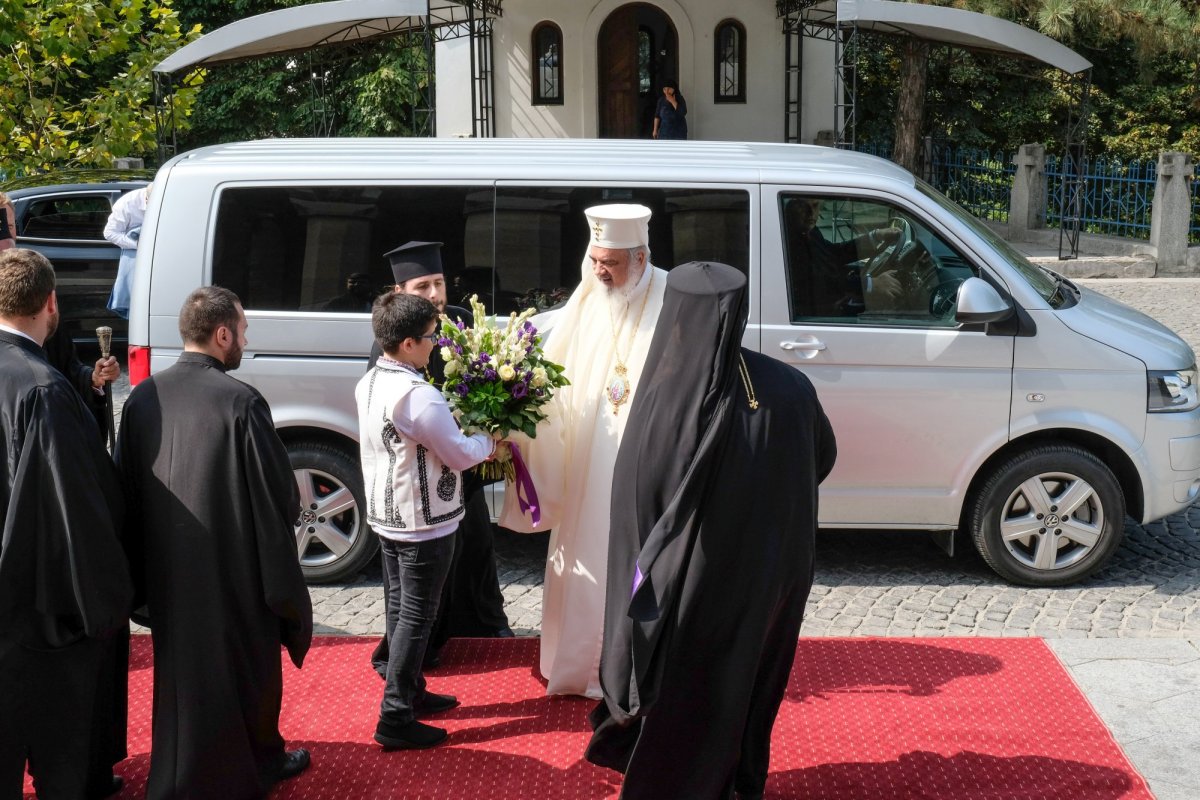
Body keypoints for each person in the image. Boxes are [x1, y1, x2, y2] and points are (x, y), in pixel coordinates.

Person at [586, 261, 837, 800]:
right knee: (751, 674)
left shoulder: (664, 392)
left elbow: (640, 499)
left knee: (692, 682)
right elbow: (822, 458)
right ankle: (741, 778)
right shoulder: (792, 383)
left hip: (701, 573)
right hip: (778, 566)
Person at [115, 286, 313, 798]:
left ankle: (187, 766)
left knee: (181, 677)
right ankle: (259, 762)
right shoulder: (240, 400)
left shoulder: (142, 397)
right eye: (243, 330)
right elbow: (278, 495)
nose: (246, 339)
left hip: (167, 570)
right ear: (222, 333)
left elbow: (126, 489)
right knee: (248, 672)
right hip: (234, 568)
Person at [500, 204, 668, 698]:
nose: (598, 271)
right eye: (593, 259)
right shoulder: (586, 301)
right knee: (585, 553)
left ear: (639, 259)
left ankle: (632, 665)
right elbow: (554, 378)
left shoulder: (669, 298)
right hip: (586, 464)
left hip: (642, 460)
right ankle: (578, 665)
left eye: (610, 263)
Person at [0, 248, 133, 799]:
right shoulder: (42, 389)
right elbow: (71, 505)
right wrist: (105, 601)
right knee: (63, 745)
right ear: (51, 302)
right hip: (38, 596)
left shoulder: (44, 381)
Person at [357, 292, 496, 750]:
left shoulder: (372, 381)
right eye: (432, 338)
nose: (436, 345)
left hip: (388, 515)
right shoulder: (419, 396)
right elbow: (457, 454)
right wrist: (487, 440)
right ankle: (394, 716)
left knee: (400, 609)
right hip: (423, 521)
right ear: (410, 343)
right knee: (418, 615)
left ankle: (411, 693)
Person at [368, 241, 512, 680]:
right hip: (427, 477)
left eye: (439, 283)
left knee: (476, 549)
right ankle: (415, 655)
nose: (434, 294)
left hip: (460, 469)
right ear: (401, 290)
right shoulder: (392, 345)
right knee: (424, 578)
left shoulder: (464, 323)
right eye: (423, 285)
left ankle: (483, 627)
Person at [784, 196, 902, 317]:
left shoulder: (807, 230)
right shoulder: (789, 239)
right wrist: (870, 284)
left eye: (815, 206)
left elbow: (833, 254)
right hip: (816, 316)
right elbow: (822, 280)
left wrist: (875, 237)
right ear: (790, 209)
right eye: (803, 208)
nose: (812, 214)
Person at [103, 182, 152, 319]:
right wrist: (139, 245)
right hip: (134, 252)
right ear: (146, 199)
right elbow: (109, 233)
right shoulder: (127, 203)